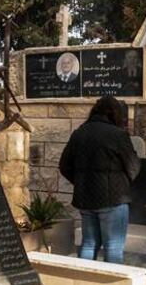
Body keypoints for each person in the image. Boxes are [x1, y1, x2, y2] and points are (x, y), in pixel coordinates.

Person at [59, 95, 140, 263]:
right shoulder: (118, 134)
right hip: (114, 199)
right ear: (115, 113)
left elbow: (64, 166)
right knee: (113, 247)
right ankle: (112, 281)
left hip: (86, 198)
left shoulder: (79, 133)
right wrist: (123, 183)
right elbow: (133, 167)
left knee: (89, 244)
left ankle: (84, 279)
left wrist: (82, 181)